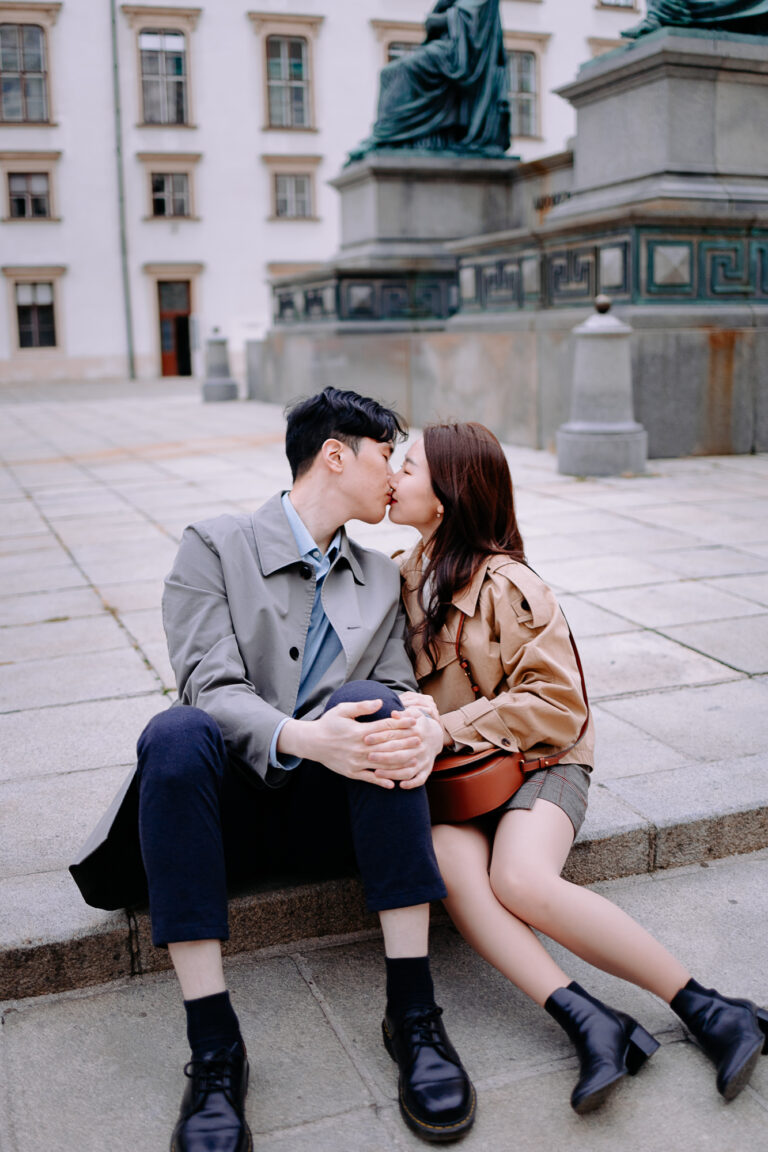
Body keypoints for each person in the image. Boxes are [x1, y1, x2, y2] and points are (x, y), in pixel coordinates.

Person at [73, 389, 476, 1151]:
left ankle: (414, 1015)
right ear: (336, 455)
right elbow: (210, 685)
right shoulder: (213, 545)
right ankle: (215, 1048)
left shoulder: (379, 575)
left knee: (377, 711)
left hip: (332, 815)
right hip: (224, 817)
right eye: (386, 455)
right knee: (176, 730)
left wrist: (425, 728)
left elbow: (396, 685)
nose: (395, 475)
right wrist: (306, 737)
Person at [377, 421, 768, 1114]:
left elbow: (559, 707)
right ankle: (589, 1020)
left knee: (519, 878)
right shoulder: (401, 577)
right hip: (463, 779)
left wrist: (446, 727)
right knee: (451, 866)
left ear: (446, 494)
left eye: (407, 467)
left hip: (543, 761)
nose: (392, 476)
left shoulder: (509, 584)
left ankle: (710, 1008)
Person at [348, 0, 510, 161]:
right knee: (388, 73)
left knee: (404, 70)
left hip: (463, 54)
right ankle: (388, 134)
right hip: (449, 46)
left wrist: (439, 20)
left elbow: (468, 16)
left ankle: (387, 134)